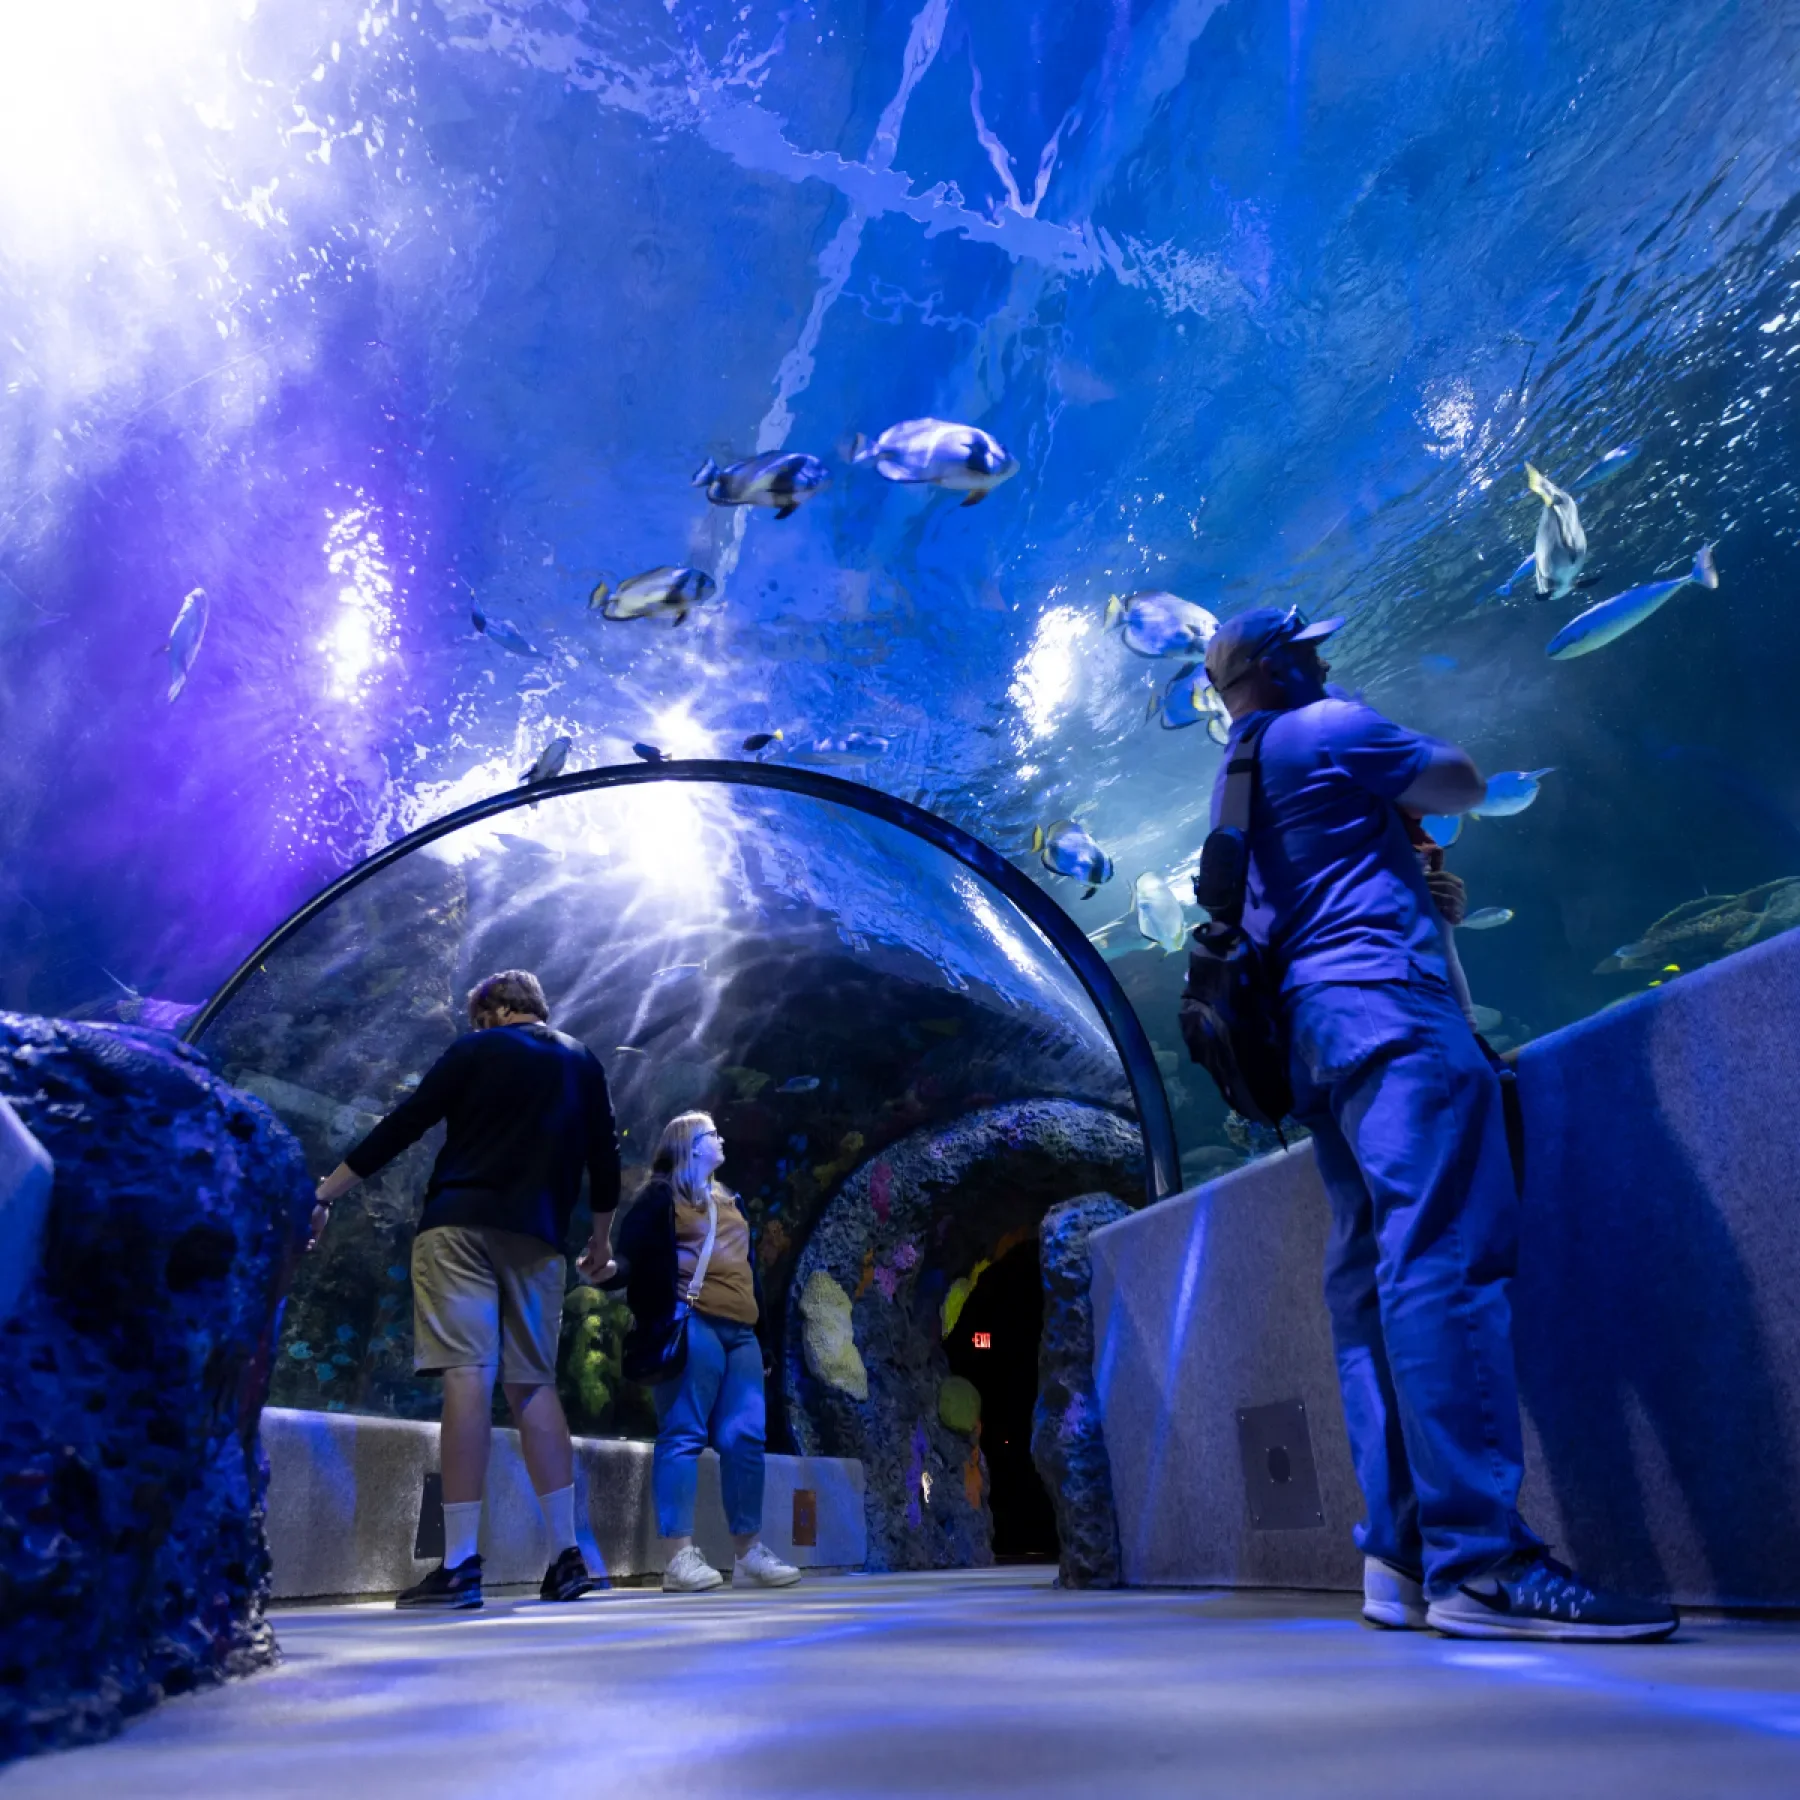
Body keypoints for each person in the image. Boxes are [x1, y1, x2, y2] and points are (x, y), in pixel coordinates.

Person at [1203, 607, 1677, 1642]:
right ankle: (1484, 1565)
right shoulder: (1324, 726)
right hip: (1394, 1017)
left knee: (1372, 1293)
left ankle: (1402, 1556)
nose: (1327, 657)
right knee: (1445, 1265)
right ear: (1282, 664)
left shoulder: (1234, 772)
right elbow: (1459, 780)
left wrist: (1412, 883)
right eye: (1309, 648)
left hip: (1321, 1042)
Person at [310, 969, 620, 1610]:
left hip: (457, 1227)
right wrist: (601, 1238)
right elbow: (603, 1155)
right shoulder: (581, 1059)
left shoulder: (475, 1049)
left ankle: (459, 1566)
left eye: (480, 1017)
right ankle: (566, 1559)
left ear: (497, 1010)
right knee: (532, 1384)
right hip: (536, 1238)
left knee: (468, 1378)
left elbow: (408, 1122)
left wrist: (324, 1194)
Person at [608, 1111, 800, 1593]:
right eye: (711, 1134)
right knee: (684, 1434)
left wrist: (765, 1340)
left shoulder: (730, 1200)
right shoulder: (661, 1195)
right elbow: (629, 1253)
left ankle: (748, 1552)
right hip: (692, 1323)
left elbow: (748, 1272)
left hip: (742, 1333)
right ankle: (678, 1557)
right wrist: (607, 1272)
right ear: (689, 1146)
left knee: (746, 1439)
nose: (721, 1138)